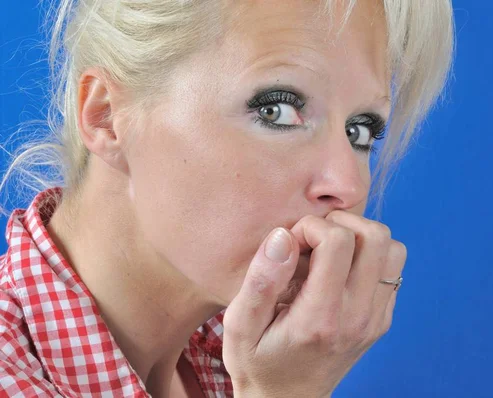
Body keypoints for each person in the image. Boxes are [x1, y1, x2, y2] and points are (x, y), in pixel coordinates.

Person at [0, 0, 454, 396]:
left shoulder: (245, 357)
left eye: (360, 130)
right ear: (106, 116)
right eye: (276, 109)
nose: (348, 185)